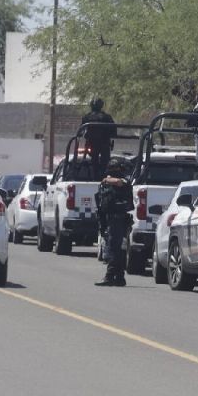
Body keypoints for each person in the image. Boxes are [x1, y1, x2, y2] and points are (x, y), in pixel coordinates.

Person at [94, 157, 134, 287]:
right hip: (109, 218)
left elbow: (120, 182)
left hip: (119, 218)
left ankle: (110, 276)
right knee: (116, 249)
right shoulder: (106, 183)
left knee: (114, 248)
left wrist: (107, 180)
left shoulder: (123, 180)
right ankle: (119, 277)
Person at [82, 98, 115, 178]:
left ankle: (95, 176)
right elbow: (113, 131)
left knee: (94, 162)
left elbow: (82, 131)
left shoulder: (86, 117)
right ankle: (103, 176)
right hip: (104, 144)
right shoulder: (107, 117)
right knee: (105, 162)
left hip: (92, 144)